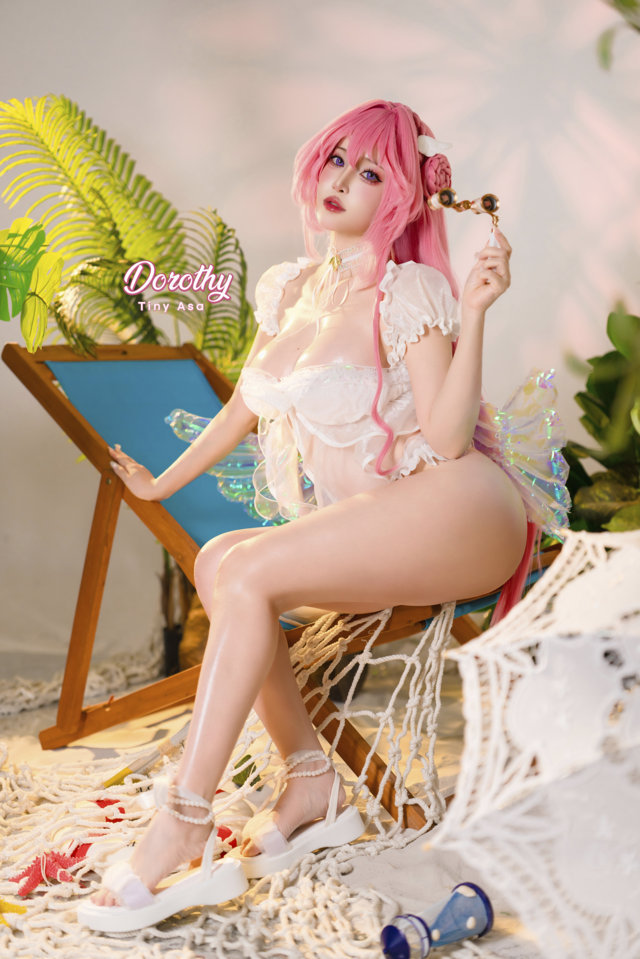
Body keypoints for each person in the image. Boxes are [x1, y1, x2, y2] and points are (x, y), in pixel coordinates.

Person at [78, 99, 568, 933]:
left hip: (458, 504)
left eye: (371, 171)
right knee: (219, 560)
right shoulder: (291, 289)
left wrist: (477, 310)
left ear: (400, 197)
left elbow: (448, 439)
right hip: (384, 515)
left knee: (248, 568)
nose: (343, 179)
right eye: (337, 159)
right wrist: (162, 485)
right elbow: (241, 409)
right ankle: (312, 781)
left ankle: (184, 823)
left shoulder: (410, 290)